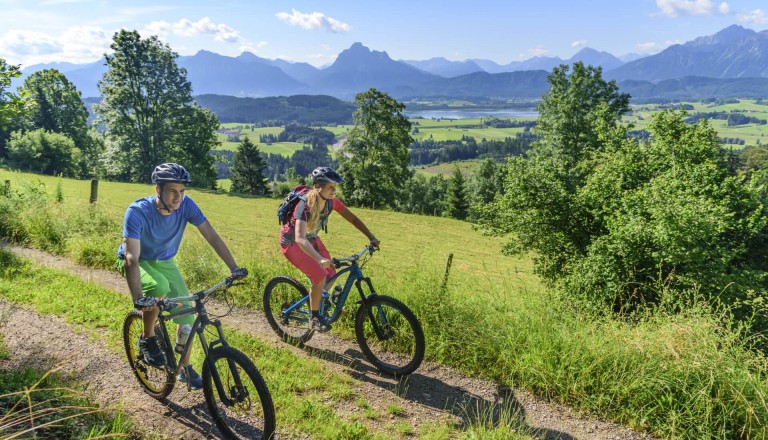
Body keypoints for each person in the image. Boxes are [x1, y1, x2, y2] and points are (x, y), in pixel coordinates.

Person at [116, 162, 244, 390]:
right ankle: (147, 338)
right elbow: (131, 259)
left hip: (165, 261)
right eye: (172, 191)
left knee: (187, 314)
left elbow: (211, 236)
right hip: (138, 261)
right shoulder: (137, 211)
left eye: (182, 191)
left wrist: (233, 267)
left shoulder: (186, 206)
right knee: (158, 287)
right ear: (158, 190)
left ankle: (184, 367)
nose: (178, 197)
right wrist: (139, 298)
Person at [280, 166, 380, 332]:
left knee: (331, 272)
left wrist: (371, 237)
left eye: (335, 187)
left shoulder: (331, 202)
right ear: (318, 187)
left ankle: (318, 300)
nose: (334, 191)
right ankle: (314, 318)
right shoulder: (304, 205)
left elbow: (353, 218)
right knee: (319, 276)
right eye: (331, 188)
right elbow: (299, 238)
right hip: (292, 243)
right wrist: (319, 259)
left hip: (311, 239)